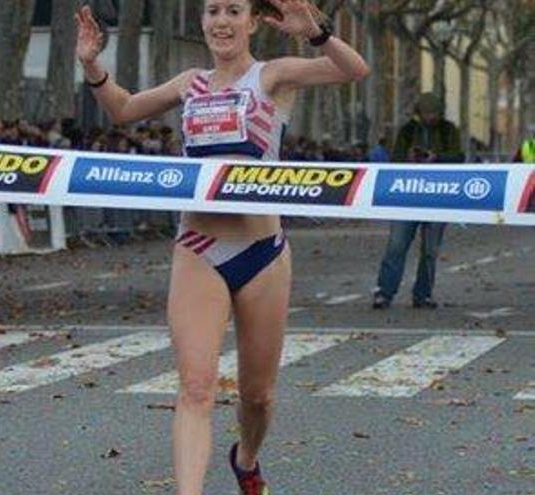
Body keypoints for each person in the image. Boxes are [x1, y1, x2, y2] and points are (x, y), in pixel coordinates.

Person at [76, 1, 369, 494]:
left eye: (234, 10)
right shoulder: (189, 83)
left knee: (257, 397)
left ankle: (247, 459)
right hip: (198, 248)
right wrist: (90, 63)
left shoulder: (272, 76)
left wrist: (316, 34)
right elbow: (124, 109)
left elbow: (353, 70)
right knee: (195, 388)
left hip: (262, 253)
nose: (221, 21)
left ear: (253, 22)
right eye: (212, 10)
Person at [372, 92, 463, 310]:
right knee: (396, 246)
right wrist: (409, 159)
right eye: (426, 113)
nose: (430, 117)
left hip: (438, 196)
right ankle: (384, 292)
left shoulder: (449, 130)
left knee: (430, 250)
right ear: (419, 113)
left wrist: (437, 158)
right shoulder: (407, 131)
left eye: (433, 113)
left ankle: (423, 294)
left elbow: (458, 157)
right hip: (408, 196)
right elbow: (395, 160)